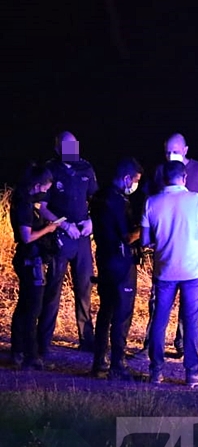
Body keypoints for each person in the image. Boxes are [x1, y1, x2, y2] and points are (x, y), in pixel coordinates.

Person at [143, 133, 198, 357]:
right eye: (167, 151)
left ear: (186, 149)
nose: (171, 155)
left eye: (176, 151)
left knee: (179, 311)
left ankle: (170, 355)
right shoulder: (161, 172)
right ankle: (163, 353)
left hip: (188, 250)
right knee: (168, 309)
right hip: (169, 253)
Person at [40, 131, 98, 354]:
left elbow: (96, 199)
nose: (72, 150)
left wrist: (91, 221)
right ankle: (43, 341)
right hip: (60, 237)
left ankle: (87, 340)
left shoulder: (86, 168)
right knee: (53, 289)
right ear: (57, 149)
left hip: (82, 237)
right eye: (66, 146)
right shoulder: (50, 170)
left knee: (84, 288)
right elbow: (43, 208)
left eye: (74, 145)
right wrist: (64, 225)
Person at [89, 158, 143, 380]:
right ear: (127, 178)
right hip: (120, 262)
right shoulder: (118, 201)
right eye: (136, 181)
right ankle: (118, 365)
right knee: (122, 314)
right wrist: (144, 229)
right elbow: (127, 236)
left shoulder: (99, 197)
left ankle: (99, 362)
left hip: (103, 258)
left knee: (105, 311)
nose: (135, 185)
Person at [9, 164, 64, 371]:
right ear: (37, 185)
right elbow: (26, 237)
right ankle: (30, 356)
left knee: (25, 306)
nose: (46, 192)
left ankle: (18, 351)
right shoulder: (23, 205)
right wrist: (49, 228)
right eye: (45, 187)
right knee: (32, 308)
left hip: (31, 259)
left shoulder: (27, 202)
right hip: (31, 260)